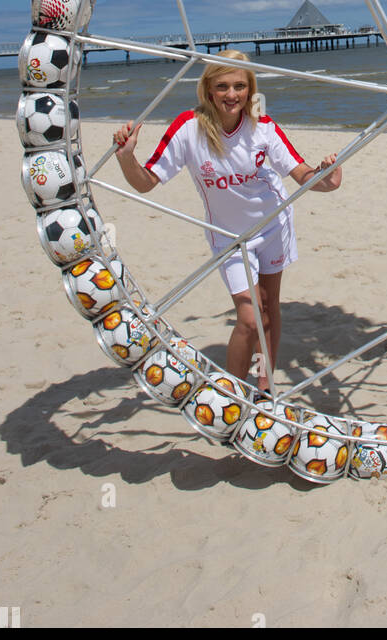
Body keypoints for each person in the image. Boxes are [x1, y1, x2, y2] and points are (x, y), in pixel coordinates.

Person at [113, 50, 341, 389]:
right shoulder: (187, 129)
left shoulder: (263, 128)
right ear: (207, 90)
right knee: (249, 319)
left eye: (239, 86)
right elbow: (145, 183)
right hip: (228, 237)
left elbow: (303, 174)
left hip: (273, 226)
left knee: (269, 309)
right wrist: (126, 157)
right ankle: (232, 396)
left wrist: (329, 178)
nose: (231, 95)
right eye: (222, 86)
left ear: (250, 90)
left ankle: (263, 385)